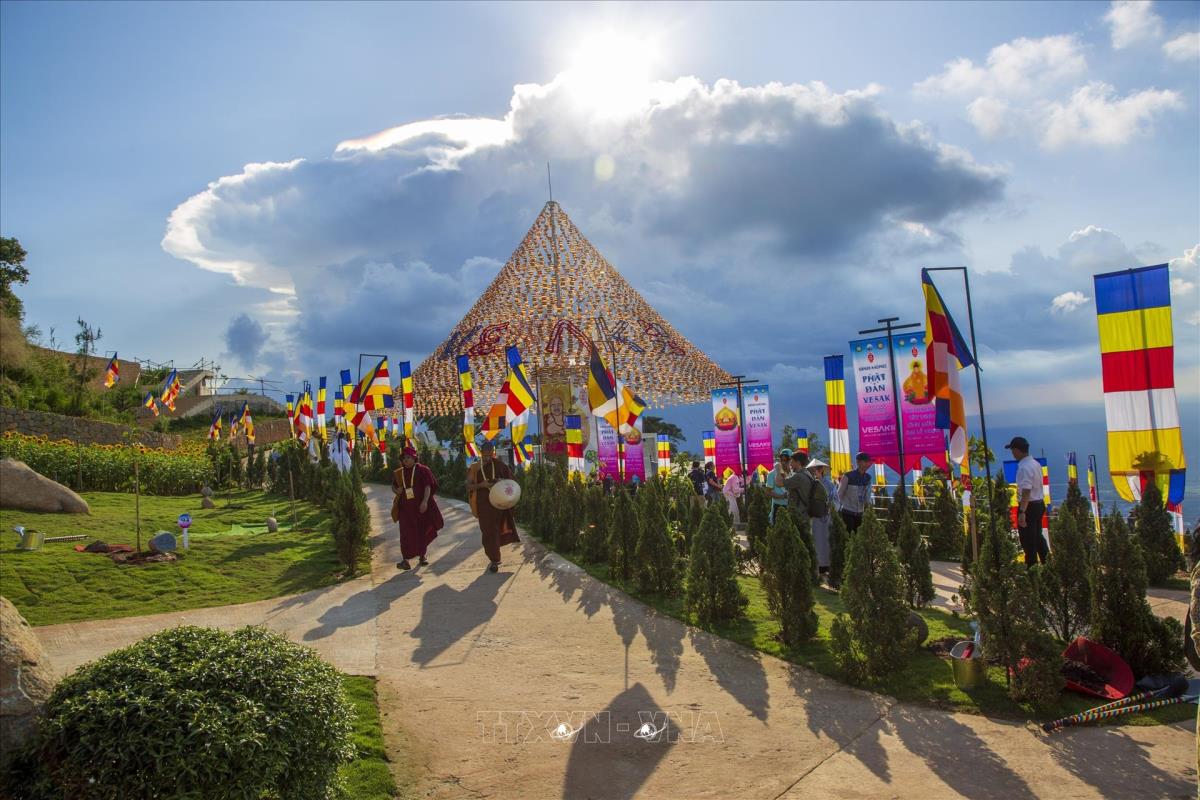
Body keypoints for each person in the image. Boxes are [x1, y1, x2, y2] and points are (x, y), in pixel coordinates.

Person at [467, 439, 520, 573]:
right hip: (484, 505)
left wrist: (501, 481)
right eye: (485, 455)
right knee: (488, 531)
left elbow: (512, 482)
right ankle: (494, 559)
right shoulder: (475, 467)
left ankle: (495, 557)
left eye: (490, 454)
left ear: (493, 453)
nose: (488, 457)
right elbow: (468, 486)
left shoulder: (499, 465)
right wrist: (481, 485)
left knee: (499, 529)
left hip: (499, 504)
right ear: (481, 453)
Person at [392, 446, 444, 571]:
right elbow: (393, 486)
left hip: (420, 508)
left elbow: (428, 486)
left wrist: (425, 502)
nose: (406, 460)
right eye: (404, 458)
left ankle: (422, 556)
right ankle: (405, 560)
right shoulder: (399, 473)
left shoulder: (423, 470)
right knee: (405, 534)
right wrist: (396, 490)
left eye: (408, 457)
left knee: (421, 531)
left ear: (414, 458)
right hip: (405, 510)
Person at [1007, 436, 1047, 567]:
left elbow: (1026, 491)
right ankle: (1047, 564)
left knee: (1028, 541)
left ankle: (1032, 569)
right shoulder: (1035, 463)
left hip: (1029, 506)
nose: (1012, 453)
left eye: (1013, 450)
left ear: (1017, 450)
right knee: (1038, 537)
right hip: (1039, 503)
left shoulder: (1024, 467)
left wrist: (1022, 512)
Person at [807, 458, 836, 581]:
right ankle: (817, 565)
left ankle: (826, 566)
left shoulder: (829, 484)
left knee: (826, 540)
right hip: (813, 515)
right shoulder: (810, 484)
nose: (814, 473)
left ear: (821, 471)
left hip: (826, 515)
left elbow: (835, 499)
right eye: (812, 471)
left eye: (816, 470)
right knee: (815, 540)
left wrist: (830, 508)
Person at [783, 451, 826, 522]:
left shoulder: (799, 476)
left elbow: (779, 483)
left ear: (798, 463)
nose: (790, 464)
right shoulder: (807, 473)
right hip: (806, 514)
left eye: (792, 461)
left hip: (798, 515)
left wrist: (777, 469)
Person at [837, 452, 873, 533]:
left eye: (868, 462)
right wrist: (836, 510)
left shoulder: (868, 478)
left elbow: (867, 496)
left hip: (860, 514)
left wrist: (870, 510)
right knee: (849, 536)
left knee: (859, 537)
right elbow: (839, 494)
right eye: (865, 461)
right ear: (858, 462)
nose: (867, 464)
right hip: (847, 512)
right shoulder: (847, 476)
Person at [765, 449, 792, 524]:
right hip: (778, 507)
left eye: (786, 460)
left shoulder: (794, 473)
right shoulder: (772, 474)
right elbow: (767, 492)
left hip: (792, 507)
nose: (783, 462)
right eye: (781, 460)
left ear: (791, 460)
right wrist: (781, 496)